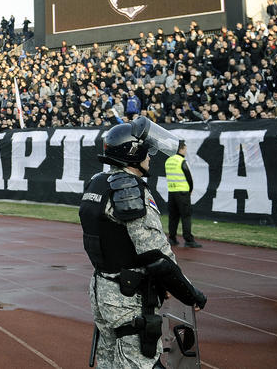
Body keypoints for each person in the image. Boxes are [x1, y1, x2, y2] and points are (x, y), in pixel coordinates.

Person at [80, 119, 207, 368]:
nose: (150, 156)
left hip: (102, 288)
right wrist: (191, 294)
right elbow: (155, 254)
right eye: (146, 151)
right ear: (132, 153)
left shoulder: (98, 182)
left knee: (108, 360)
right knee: (140, 361)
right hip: (126, 296)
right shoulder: (129, 188)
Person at [165, 141, 201, 248]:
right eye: (185, 148)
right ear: (181, 148)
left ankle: (172, 238)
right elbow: (189, 177)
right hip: (182, 193)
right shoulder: (182, 161)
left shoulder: (168, 160)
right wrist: (190, 189)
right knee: (186, 216)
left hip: (171, 192)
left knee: (173, 217)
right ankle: (188, 240)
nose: (186, 151)